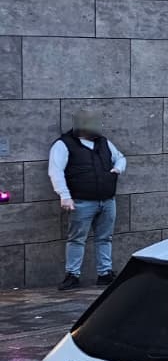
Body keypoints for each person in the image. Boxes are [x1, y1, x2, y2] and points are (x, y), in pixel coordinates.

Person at [48, 110, 126, 290]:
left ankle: (105, 274)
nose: (100, 128)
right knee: (76, 239)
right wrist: (64, 196)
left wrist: (118, 169)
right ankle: (72, 275)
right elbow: (56, 171)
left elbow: (120, 158)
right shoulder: (63, 145)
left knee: (105, 238)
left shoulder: (104, 142)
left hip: (107, 200)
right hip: (82, 201)